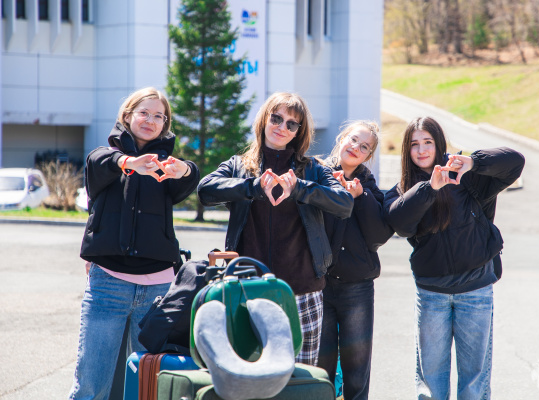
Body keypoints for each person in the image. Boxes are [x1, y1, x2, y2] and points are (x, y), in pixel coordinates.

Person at [197, 91, 354, 366]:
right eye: (276, 118)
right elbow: (205, 190)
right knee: (249, 374)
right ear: (264, 120)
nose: (282, 127)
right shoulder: (239, 165)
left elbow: (344, 204)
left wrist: (301, 189)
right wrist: (253, 187)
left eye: (291, 124)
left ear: (298, 132)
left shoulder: (313, 169)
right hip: (247, 288)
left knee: (301, 376)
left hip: (303, 291)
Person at [69, 87, 200, 400]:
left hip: (157, 289)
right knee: (91, 386)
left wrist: (184, 169)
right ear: (127, 116)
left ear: (165, 124)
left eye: (159, 116)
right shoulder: (105, 158)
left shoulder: (166, 166)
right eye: (144, 113)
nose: (151, 120)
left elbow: (190, 178)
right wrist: (129, 162)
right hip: (108, 284)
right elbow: (99, 162)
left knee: (147, 387)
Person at [383, 116, 525, 400]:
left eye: (428, 142)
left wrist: (474, 162)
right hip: (432, 295)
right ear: (407, 150)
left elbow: (515, 162)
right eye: (414, 144)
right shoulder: (402, 191)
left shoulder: (467, 178)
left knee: (474, 383)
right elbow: (400, 223)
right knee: (431, 383)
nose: (422, 150)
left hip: (475, 291)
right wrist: (429, 188)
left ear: (439, 144)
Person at [316, 121, 393, 400]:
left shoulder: (370, 189)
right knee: (320, 367)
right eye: (353, 139)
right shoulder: (316, 173)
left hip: (357, 287)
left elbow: (378, 236)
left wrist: (360, 197)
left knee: (357, 369)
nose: (355, 148)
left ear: (368, 156)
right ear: (341, 138)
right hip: (319, 284)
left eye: (364, 147)